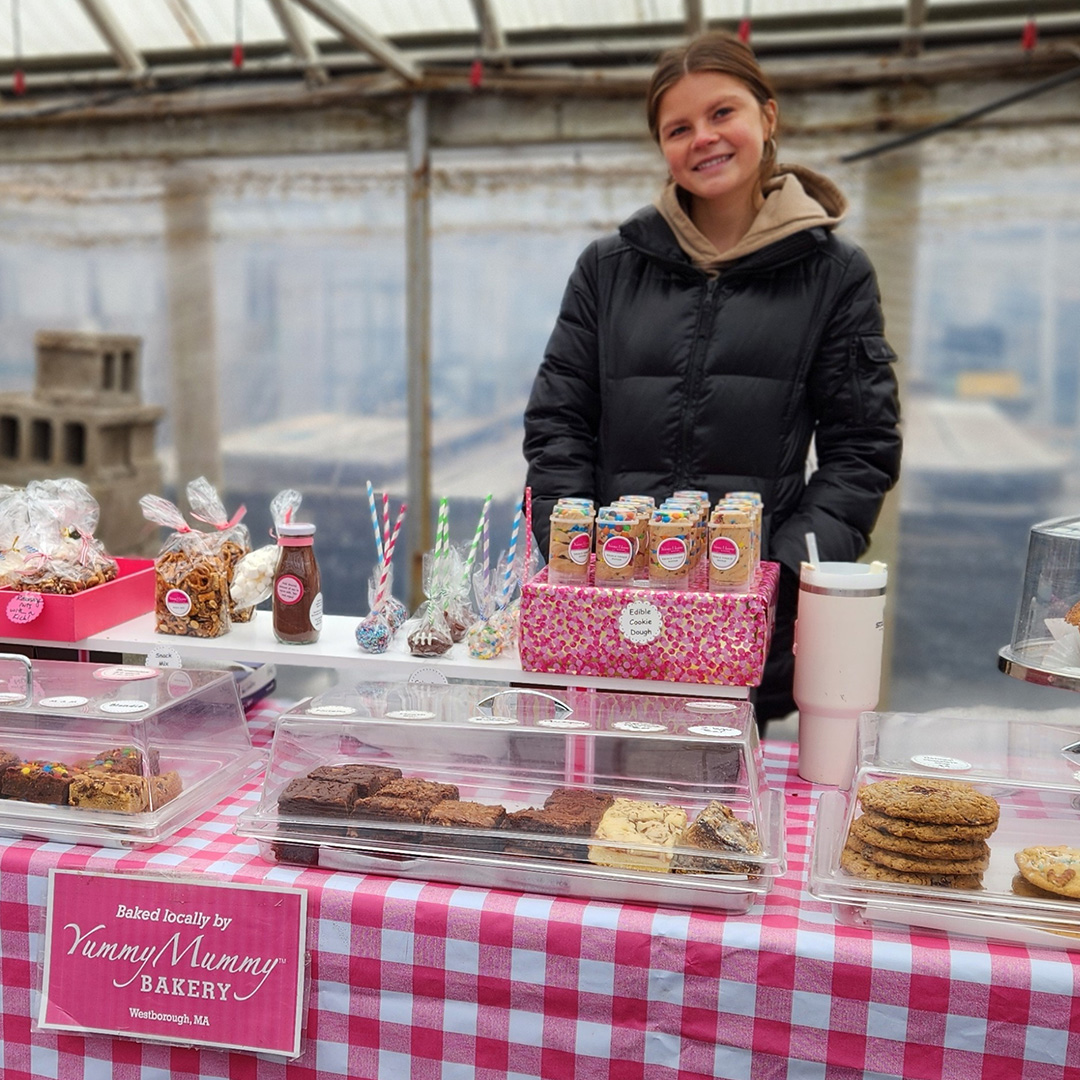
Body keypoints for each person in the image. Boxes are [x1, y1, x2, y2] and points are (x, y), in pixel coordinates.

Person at [522, 30, 902, 727]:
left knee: (720, 818)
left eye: (722, 113)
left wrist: (776, 579)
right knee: (598, 815)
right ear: (662, 146)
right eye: (679, 127)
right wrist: (574, 552)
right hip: (611, 611)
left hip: (741, 629)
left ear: (768, 116)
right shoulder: (609, 268)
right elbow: (558, 422)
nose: (704, 138)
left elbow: (862, 450)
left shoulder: (834, 275)